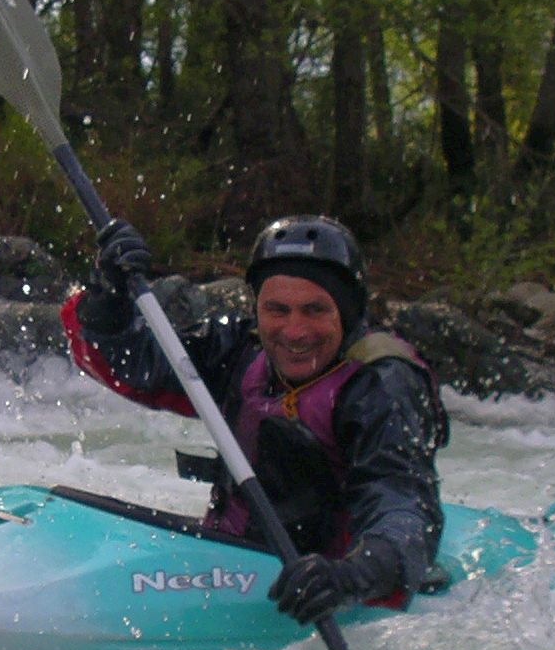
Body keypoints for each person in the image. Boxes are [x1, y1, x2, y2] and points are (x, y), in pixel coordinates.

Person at [61, 214, 450, 627]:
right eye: (277, 310)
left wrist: (352, 577)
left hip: (324, 578)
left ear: (348, 312)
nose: (294, 331)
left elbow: (403, 500)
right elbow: (131, 367)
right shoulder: (240, 350)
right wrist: (109, 298)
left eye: (314, 310)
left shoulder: (382, 385)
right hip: (231, 555)